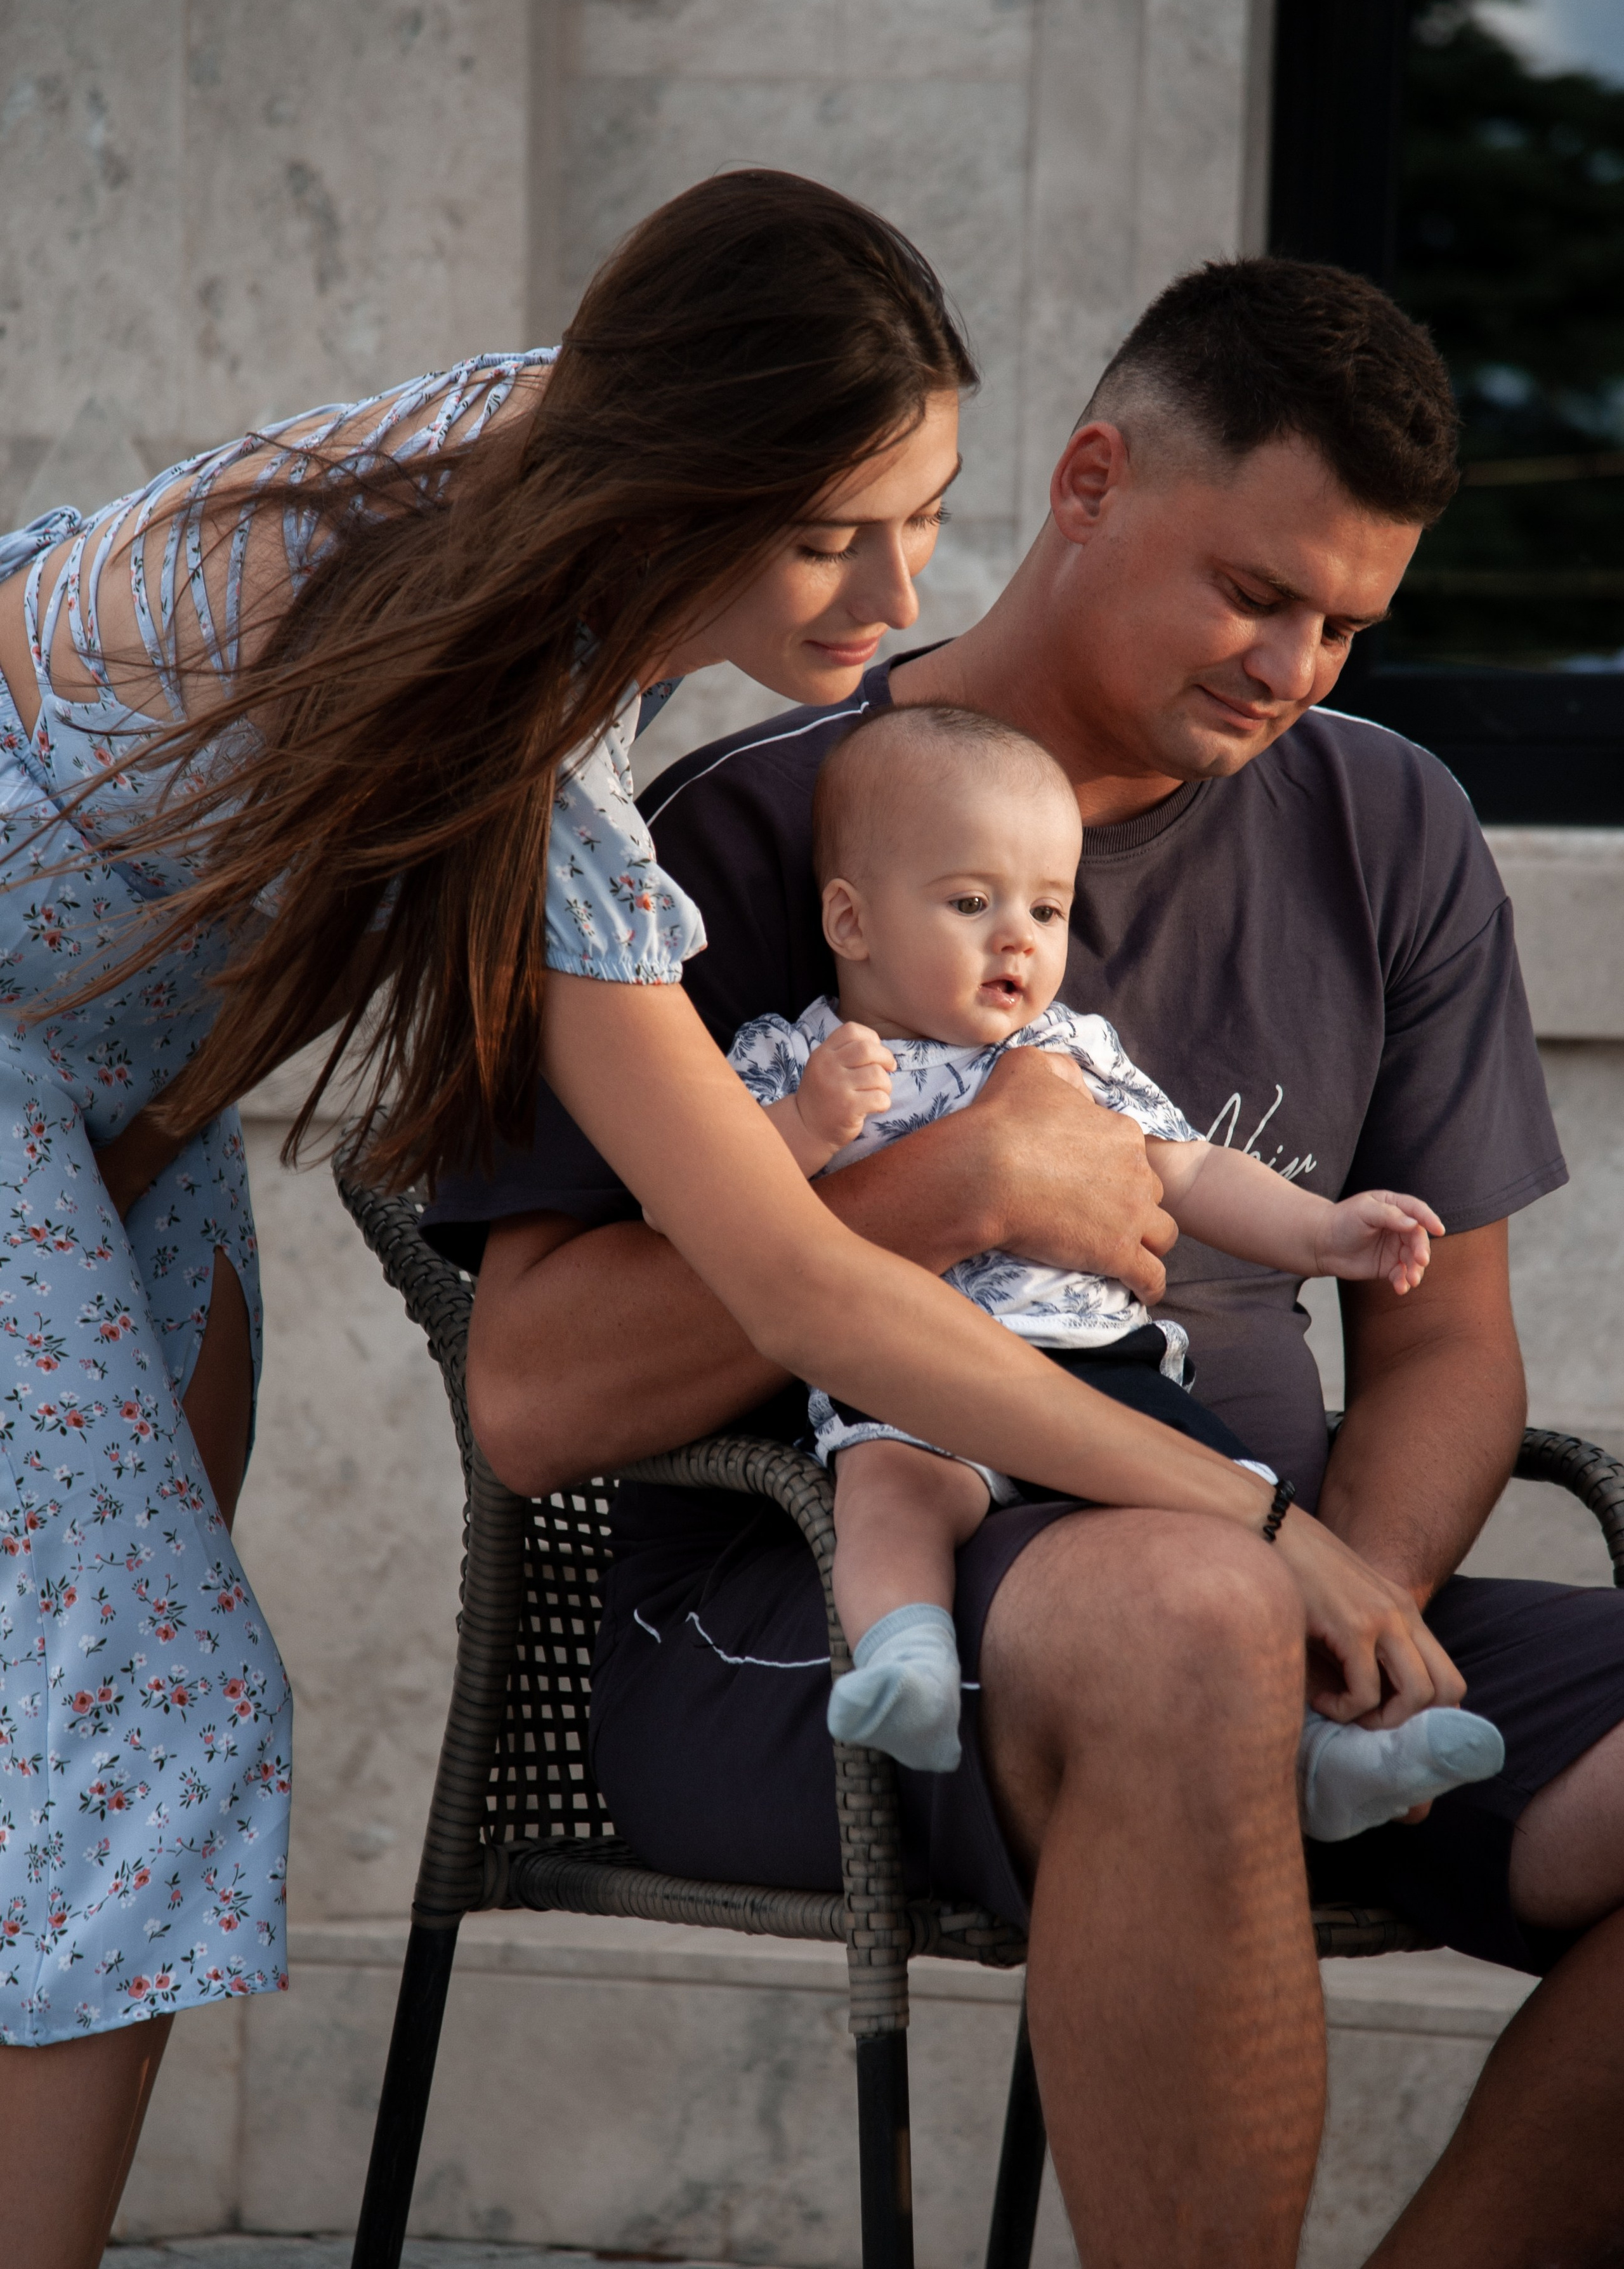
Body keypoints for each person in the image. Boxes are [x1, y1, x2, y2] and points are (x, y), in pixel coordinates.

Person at [0, 179, 1436, 2269]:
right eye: (823, 529)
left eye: (924, 510)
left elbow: (224, 858)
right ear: (677, 478)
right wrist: (1261, 1517)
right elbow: (800, 1273)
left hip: (102, 1066)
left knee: (67, 1680)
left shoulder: (535, 488)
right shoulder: (524, 726)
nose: (893, 585)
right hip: (31, 1049)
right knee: (156, 1704)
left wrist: (155, 1108)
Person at [447, 257, 1624, 2268]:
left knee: (1211, 1613)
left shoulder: (1391, 827)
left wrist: (1352, 1605)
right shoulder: (732, 841)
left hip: (1273, 1575)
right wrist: (963, 1183)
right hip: (812, 1614)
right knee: (1190, 1617)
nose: (1296, 664)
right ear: (1089, 481)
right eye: (1257, 592)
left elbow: (1447, 1354)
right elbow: (537, 1394)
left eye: (1349, 623)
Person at [733, 697, 1505, 1836]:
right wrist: (804, 1126)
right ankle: (906, 1668)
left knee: (1244, 1528)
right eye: (969, 902)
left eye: (1047, 908)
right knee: (887, 1493)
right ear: (850, 920)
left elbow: (1192, 1172)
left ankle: (1322, 1753)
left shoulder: (1072, 1051)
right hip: (911, 1374)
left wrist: (1326, 1231)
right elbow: (710, 1203)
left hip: (1110, 1377)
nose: (1019, 939)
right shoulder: (799, 1054)